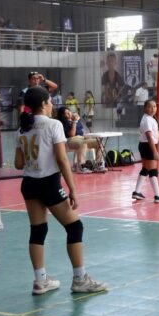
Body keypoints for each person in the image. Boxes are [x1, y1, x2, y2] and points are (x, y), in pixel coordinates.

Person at [14, 87, 107, 296]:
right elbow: (62, 159)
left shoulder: (22, 129)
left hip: (29, 184)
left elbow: (19, 163)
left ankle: (40, 280)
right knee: (75, 227)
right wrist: (72, 189)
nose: (53, 105)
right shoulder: (53, 125)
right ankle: (80, 279)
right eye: (50, 101)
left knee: (38, 231)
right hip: (49, 184)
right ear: (45, 103)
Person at [132, 100, 159, 202]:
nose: (153, 109)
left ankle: (137, 192)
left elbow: (157, 134)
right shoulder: (146, 120)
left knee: (146, 169)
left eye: (155, 107)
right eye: (150, 107)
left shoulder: (151, 119)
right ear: (145, 108)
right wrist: (155, 151)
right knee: (153, 170)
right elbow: (149, 137)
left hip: (145, 145)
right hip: (148, 146)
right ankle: (157, 195)